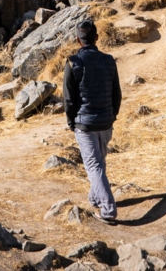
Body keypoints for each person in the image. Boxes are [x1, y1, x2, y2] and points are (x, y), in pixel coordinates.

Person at [63, 19, 122, 223]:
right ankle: (95, 197)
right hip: (106, 122)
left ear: (78, 40)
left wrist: (71, 122)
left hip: (85, 124)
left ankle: (108, 211)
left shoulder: (72, 62)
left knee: (94, 166)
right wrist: (112, 116)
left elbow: (69, 99)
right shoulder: (109, 60)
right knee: (99, 163)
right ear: (97, 38)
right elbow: (117, 94)